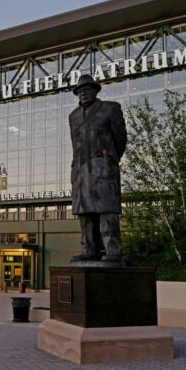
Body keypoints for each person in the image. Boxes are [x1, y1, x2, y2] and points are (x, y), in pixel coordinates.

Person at [68, 75, 127, 264]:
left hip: (102, 168)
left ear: (96, 90)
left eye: (87, 89)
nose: (83, 93)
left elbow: (120, 139)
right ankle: (89, 251)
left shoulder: (110, 109)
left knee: (106, 211)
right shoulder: (73, 116)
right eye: (80, 90)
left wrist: (108, 158)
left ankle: (113, 251)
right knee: (84, 214)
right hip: (80, 171)